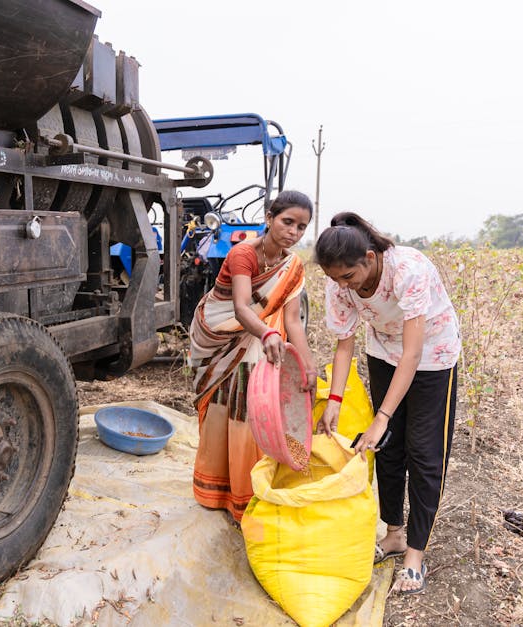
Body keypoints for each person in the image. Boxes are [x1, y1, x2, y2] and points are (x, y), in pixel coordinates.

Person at [314, 211, 460, 595]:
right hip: (383, 351)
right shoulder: (338, 285)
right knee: (388, 447)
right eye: (334, 279)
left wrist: (381, 416)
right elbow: (344, 343)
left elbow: (413, 354)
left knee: (424, 451)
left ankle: (415, 555)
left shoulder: (408, 270)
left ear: (370, 258)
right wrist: (335, 399)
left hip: (431, 354)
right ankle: (394, 534)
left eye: (348, 276)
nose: (342, 285)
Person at [189, 190, 317, 521]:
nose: (294, 232)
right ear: (270, 218)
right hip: (218, 334)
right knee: (222, 405)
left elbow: (292, 321)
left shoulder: (293, 266)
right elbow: (241, 307)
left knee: (249, 407)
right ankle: (216, 487)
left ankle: (245, 493)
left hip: (257, 336)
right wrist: (267, 333)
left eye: (301, 227)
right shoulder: (243, 254)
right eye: (288, 222)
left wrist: (307, 364)